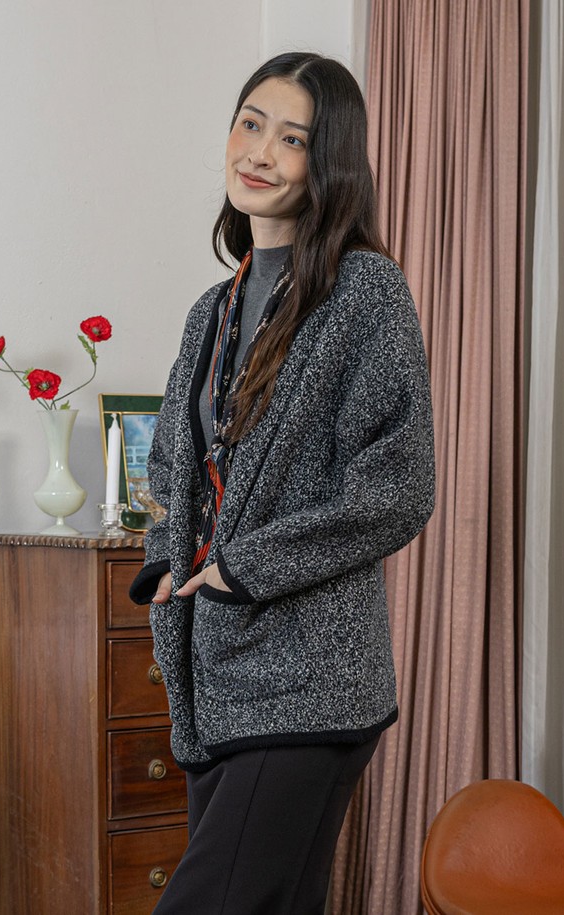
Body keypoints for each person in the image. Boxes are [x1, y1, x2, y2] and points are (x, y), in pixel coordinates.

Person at [129, 51, 435, 915]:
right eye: (250, 123)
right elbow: (172, 466)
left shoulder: (365, 291)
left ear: (326, 162)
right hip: (215, 682)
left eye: (292, 138)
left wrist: (243, 567)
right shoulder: (211, 309)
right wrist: (166, 562)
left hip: (310, 680)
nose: (259, 152)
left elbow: (400, 482)